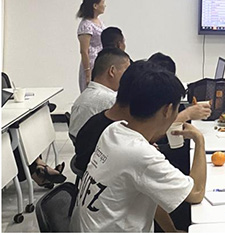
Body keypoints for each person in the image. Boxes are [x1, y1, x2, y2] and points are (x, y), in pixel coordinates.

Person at [72, 61, 207, 232]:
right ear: (167, 110)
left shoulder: (113, 130)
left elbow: (150, 191)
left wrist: (171, 231)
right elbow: (196, 193)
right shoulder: (141, 154)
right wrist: (199, 141)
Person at [69, 48, 131, 140]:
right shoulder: (110, 99)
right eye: (126, 71)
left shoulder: (86, 94)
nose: (129, 77)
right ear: (112, 71)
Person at [77, 0, 106, 92]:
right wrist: (87, 72)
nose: (104, 5)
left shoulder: (99, 22)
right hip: (91, 64)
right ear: (95, 6)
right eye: (102, 2)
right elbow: (84, 51)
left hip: (101, 62)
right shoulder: (86, 25)